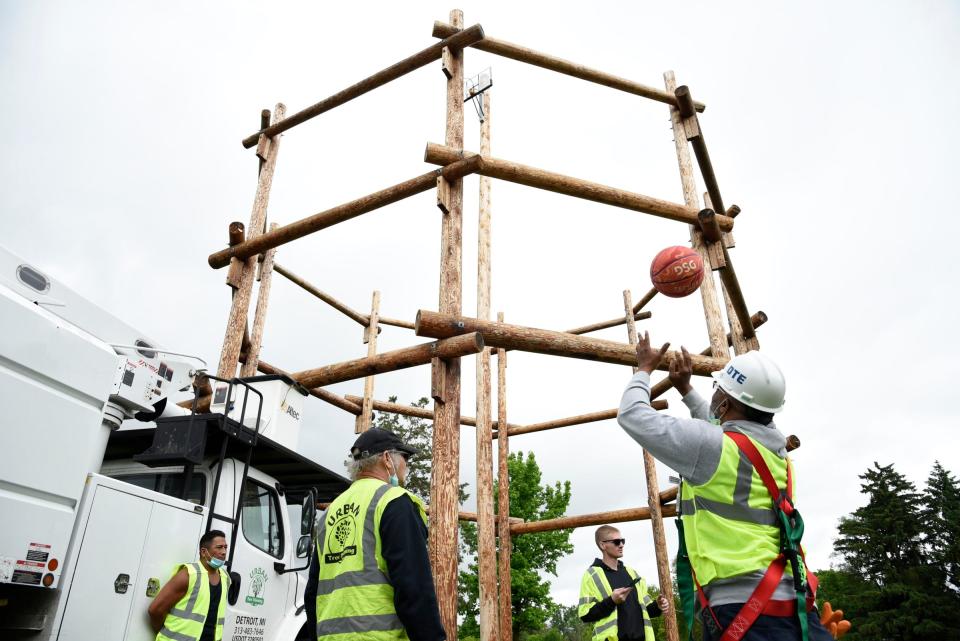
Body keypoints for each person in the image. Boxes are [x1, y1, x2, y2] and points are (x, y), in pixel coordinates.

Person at [617, 332, 834, 641]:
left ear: (727, 401)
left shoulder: (713, 448)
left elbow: (632, 415)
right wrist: (686, 389)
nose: (714, 391)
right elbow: (726, 428)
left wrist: (643, 369)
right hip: (792, 603)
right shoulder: (778, 454)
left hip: (741, 608)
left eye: (718, 387)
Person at [306, 427, 446, 641]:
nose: (406, 465)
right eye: (405, 457)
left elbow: (313, 591)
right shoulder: (393, 502)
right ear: (387, 458)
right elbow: (413, 588)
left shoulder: (329, 513)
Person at [579, 525, 670, 641]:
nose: (621, 545)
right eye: (617, 542)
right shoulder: (591, 575)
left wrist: (658, 606)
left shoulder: (632, 573)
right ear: (603, 545)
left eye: (622, 541)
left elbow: (646, 611)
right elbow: (585, 615)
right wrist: (611, 601)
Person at [149, 530, 230, 641]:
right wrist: (167, 634)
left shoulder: (225, 578)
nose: (224, 552)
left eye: (225, 547)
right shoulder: (188, 574)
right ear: (203, 552)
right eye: (219, 547)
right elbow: (155, 610)